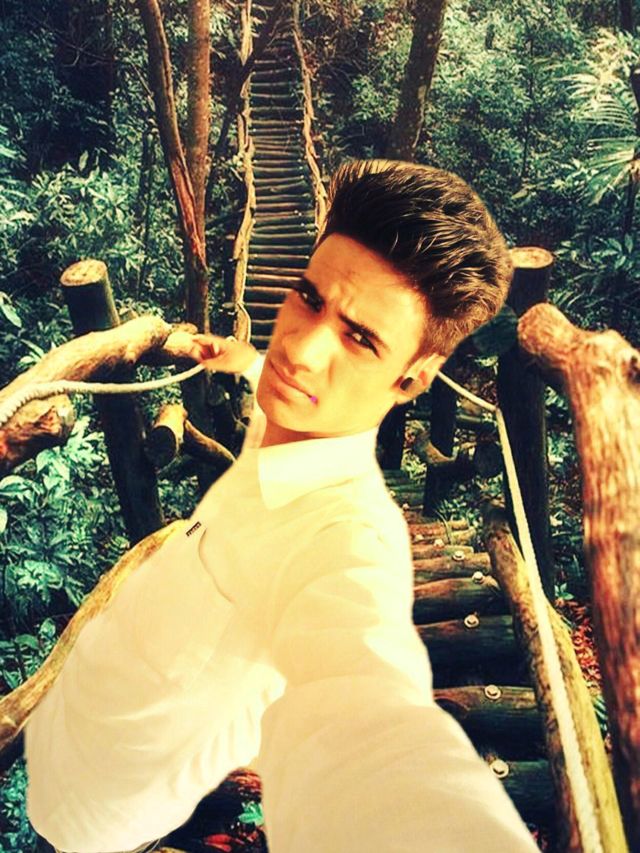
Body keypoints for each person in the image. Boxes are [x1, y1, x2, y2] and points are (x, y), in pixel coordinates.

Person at [25, 159, 539, 852]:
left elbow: (365, 715)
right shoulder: (293, 410)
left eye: (361, 338)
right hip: (67, 721)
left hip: (96, 807)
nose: (302, 348)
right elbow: (268, 367)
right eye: (308, 297)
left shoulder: (348, 545)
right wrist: (230, 356)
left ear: (415, 377)